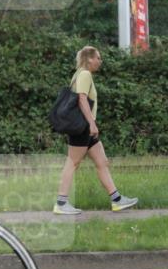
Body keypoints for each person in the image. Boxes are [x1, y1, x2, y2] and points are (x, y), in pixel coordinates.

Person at [53, 46, 137, 215]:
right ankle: (61, 203)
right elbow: (82, 100)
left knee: (102, 162)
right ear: (89, 58)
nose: (100, 61)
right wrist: (92, 123)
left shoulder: (79, 74)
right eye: (98, 58)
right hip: (83, 126)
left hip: (85, 127)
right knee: (73, 162)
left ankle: (117, 200)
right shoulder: (84, 74)